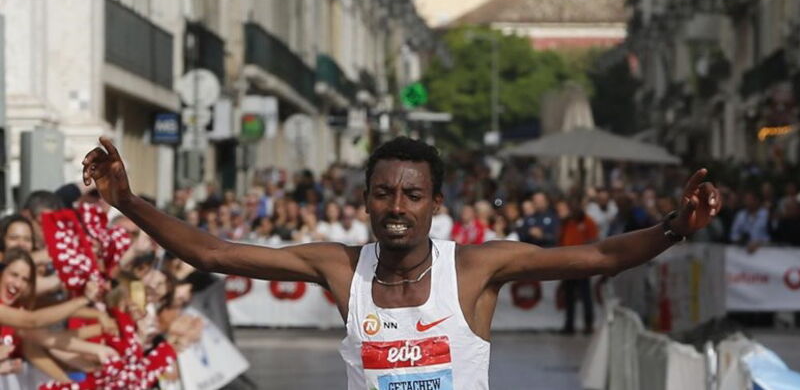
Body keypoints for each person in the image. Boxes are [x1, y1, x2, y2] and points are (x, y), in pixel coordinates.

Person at [83, 136, 719, 390]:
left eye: (412, 194)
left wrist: (673, 228)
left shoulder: (474, 269)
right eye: (383, 192)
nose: (397, 206)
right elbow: (215, 252)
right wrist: (127, 201)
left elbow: (601, 255)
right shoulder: (340, 269)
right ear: (365, 200)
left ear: (435, 203)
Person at [558, 200, 599, 335]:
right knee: (569, 296)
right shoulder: (567, 222)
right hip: (568, 264)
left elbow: (594, 240)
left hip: (583, 264)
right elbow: (560, 239)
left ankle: (588, 324)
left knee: (585, 295)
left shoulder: (588, 222)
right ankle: (569, 325)